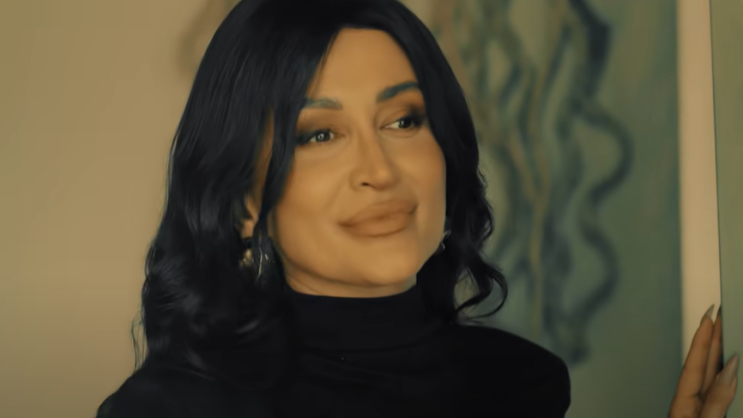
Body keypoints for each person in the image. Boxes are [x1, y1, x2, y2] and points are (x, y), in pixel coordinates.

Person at [96, 0, 738, 417]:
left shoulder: (525, 385)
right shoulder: (171, 409)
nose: (380, 170)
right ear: (244, 200)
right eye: (320, 135)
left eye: (403, 120)